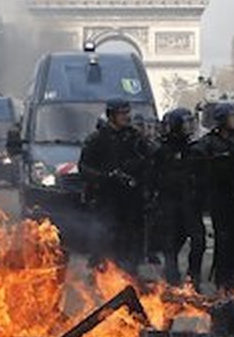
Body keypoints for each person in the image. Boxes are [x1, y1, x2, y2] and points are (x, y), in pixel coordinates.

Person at [79, 99, 152, 273]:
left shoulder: (135, 138)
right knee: (105, 234)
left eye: (128, 113)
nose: (126, 117)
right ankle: (102, 272)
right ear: (112, 115)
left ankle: (130, 272)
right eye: (122, 113)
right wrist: (106, 177)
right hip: (106, 197)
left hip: (131, 198)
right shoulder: (97, 139)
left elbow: (149, 159)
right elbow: (84, 168)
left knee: (132, 236)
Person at [193, 102, 234, 292]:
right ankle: (222, 282)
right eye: (232, 118)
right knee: (223, 241)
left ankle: (232, 280)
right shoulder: (208, 143)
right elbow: (198, 162)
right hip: (219, 197)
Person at [152, 108, 205, 288]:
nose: (189, 127)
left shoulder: (194, 149)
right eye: (186, 123)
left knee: (199, 241)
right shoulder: (161, 150)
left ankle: (194, 277)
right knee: (171, 243)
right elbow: (152, 176)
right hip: (169, 202)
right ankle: (172, 276)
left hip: (190, 202)